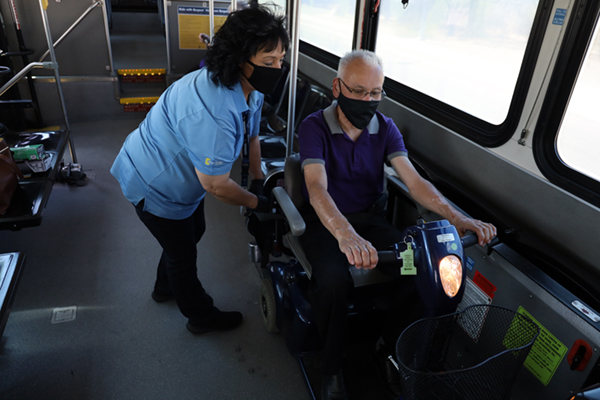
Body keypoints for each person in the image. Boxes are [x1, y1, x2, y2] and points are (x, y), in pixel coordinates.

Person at [297, 50, 497, 400]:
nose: (367, 100)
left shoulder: (385, 128)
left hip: (370, 220)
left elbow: (415, 182)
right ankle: (331, 365)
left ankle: (391, 345)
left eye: (375, 93)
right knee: (332, 282)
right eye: (358, 91)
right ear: (337, 86)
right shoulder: (315, 126)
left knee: (422, 265)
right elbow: (316, 187)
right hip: (326, 223)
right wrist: (345, 235)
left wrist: (457, 217)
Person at [110, 5, 289, 335]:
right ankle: (200, 317)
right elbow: (216, 184)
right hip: (153, 182)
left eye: (280, 60)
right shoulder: (213, 110)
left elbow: (253, 137)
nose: (278, 69)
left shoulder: (249, 88)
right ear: (240, 60)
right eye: (269, 62)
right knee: (183, 253)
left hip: (181, 181)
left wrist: (259, 181)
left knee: (194, 231)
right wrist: (257, 203)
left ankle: (164, 287)